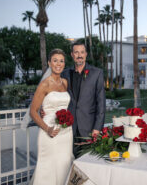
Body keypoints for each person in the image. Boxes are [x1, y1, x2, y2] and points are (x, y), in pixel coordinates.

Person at [29, 49, 74, 185]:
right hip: (50, 132)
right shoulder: (44, 84)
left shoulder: (65, 83)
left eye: (61, 61)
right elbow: (33, 111)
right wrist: (47, 128)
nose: (58, 64)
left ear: (64, 64)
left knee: (64, 165)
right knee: (48, 167)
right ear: (49, 63)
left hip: (66, 132)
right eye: (55, 60)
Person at [61, 41, 106, 157]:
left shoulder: (97, 73)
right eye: (76, 52)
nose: (79, 55)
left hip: (89, 128)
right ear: (72, 55)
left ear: (86, 54)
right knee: (69, 160)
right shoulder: (64, 73)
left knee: (87, 162)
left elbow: (101, 103)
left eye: (82, 52)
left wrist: (97, 128)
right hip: (68, 127)